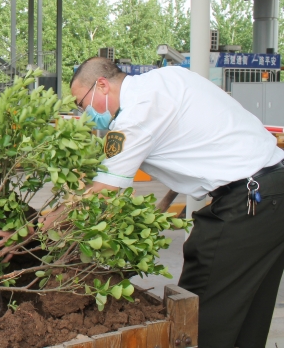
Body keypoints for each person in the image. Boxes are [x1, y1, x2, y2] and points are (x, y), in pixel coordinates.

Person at [68, 57, 284, 348]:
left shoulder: (134, 117)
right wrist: (167, 198)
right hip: (273, 193)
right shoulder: (167, 78)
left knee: (197, 314)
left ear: (102, 85)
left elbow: (102, 193)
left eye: (82, 104)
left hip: (247, 202)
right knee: (249, 312)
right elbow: (188, 144)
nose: (85, 114)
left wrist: (43, 225)